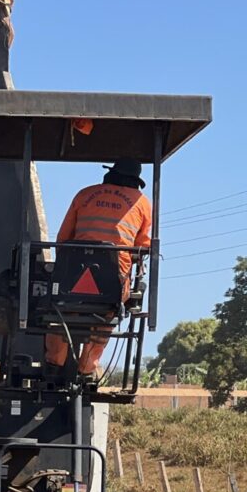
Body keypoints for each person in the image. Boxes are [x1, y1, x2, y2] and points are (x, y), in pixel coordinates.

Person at [45, 158, 152, 378]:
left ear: (111, 174)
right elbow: (141, 247)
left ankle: (53, 365)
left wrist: (63, 271)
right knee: (105, 318)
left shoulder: (85, 194)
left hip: (72, 276)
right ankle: (86, 370)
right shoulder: (142, 203)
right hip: (113, 283)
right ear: (135, 181)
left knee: (62, 313)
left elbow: (63, 238)